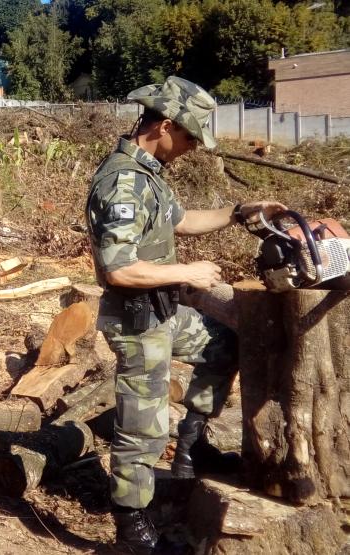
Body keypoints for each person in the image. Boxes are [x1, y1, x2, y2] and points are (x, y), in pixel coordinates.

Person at [84, 76, 286, 554]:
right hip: (136, 320)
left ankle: (191, 451)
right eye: (192, 136)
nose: (195, 146)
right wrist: (188, 271)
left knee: (225, 346)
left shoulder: (150, 173)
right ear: (166, 125)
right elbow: (118, 270)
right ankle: (133, 527)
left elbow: (183, 220)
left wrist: (239, 210)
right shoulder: (123, 183)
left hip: (163, 312)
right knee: (143, 425)